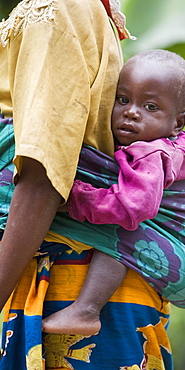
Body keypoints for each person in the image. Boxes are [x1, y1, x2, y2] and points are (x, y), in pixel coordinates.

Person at [0, 1, 175, 370]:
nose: (130, 111)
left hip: (56, 286)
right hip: (68, 281)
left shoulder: (59, 8)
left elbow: (44, 173)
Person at [42, 50, 185, 337]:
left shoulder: (153, 153)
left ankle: (86, 311)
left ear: (178, 123)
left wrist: (70, 196)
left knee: (122, 224)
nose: (131, 112)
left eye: (150, 107)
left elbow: (131, 208)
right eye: (123, 99)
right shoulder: (153, 143)